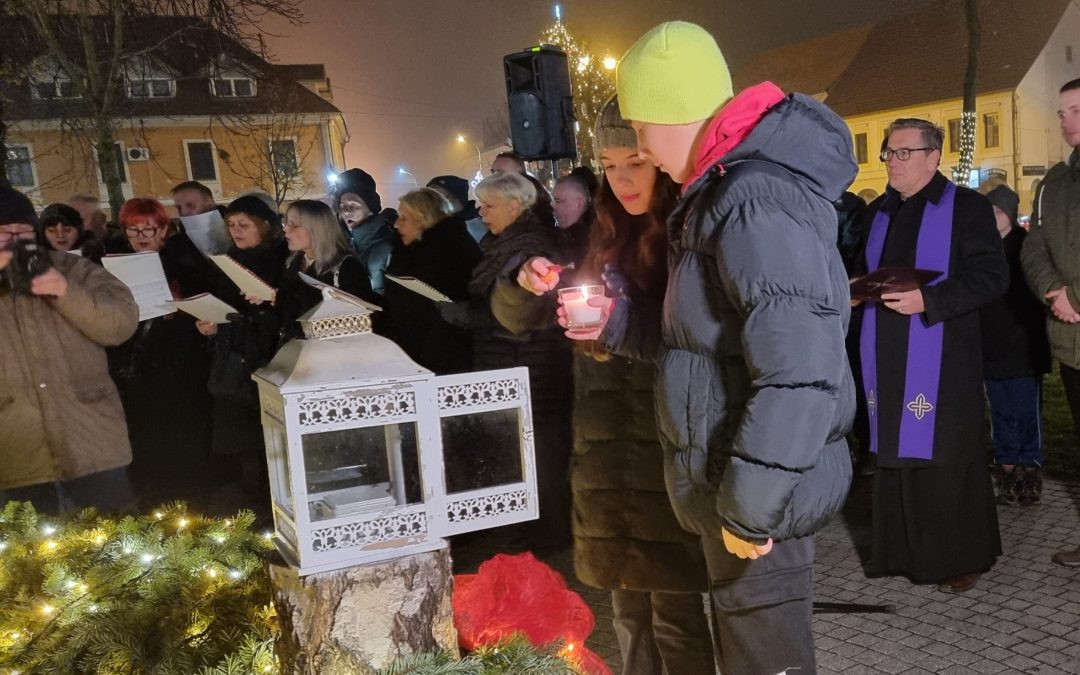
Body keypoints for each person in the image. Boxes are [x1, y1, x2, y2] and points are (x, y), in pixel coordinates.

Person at [527, 22, 856, 673]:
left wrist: (750, 508)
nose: (641, 143)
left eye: (642, 126)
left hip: (757, 494)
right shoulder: (722, 193)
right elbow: (705, 344)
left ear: (674, 111)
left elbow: (799, 369)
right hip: (736, 481)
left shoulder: (750, 197)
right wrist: (616, 327)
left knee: (766, 657)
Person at [520, 96, 715, 675]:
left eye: (635, 160)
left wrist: (621, 325)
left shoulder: (694, 233)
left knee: (677, 624)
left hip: (665, 456)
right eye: (609, 165)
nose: (623, 178)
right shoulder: (601, 235)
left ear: (663, 159)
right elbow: (521, 321)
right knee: (629, 619)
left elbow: (699, 344)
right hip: (607, 463)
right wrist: (529, 285)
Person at [858, 118, 1007, 594]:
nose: (892, 162)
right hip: (886, 353)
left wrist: (932, 302)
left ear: (932, 157)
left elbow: (991, 277)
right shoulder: (879, 211)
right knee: (895, 454)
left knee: (945, 455)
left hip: (942, 355)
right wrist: (855, 293)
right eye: (888, 152)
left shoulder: (966, 208)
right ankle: (901, 552)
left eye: (903, 153)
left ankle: (961, 557)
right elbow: (867, 271)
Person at [440, 170, 573, 552]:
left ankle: (546, 535)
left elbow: (518, 315)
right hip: (514, 363)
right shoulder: (503, 243)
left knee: (538, 451)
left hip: (529, 366)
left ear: (515, 205)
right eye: (480, 204)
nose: (481, 212)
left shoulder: (527, 246)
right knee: (526, 450)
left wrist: (461, 314)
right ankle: (536, 532)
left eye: (489, 205)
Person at [0, 187, 139, 514]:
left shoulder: (73, 270)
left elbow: (120, 325)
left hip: (91, 441)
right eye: (3, 232)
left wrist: (64, 292)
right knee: (31, 559)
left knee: (116, 548)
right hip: (15, 451)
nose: (14, 240)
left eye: (22, 231)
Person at [109, 197, 221, 511]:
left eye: (150, 229)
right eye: (134, 230)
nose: (142, 236)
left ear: (164, 230)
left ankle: (193, 506)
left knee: (185, 442)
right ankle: (153, 504)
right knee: (146, 443)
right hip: (137, 372)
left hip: (182, 371)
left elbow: (206, 309)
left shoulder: (185, 265)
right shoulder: (110, 269)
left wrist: (186, 309)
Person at [195, 195, 289, 517]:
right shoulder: (227, 262)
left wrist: (267, 304)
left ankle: (272, 515)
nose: (236, 230)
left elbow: (279, 316)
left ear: (264, 226)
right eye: (231, 225)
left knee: (272, 453)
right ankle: (252, 515)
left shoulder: (281, 260)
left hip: (267, 363)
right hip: (233, 367)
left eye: (243, 224)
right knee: (243, 452)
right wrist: (210, 324)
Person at [1020, 77, 1080, 568]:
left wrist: (1074, 294)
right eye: (1061, 113)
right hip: (1071, 341)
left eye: (1076, 110)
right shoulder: (1052, 184)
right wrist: (1052, 291)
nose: (1066, 122)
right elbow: (1034, 246)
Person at [981, 185, 1051, 506]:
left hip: (1023, 348)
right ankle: (1008, 467)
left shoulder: (1025, 248)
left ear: (1009, 214)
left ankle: (1030, 468)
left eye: (997, 212)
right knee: (1001, 412)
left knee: (1026, 412)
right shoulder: (981, 250)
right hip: (991, 347)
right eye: (989, 211)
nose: (992, 218)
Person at [379, 187, 481, 374]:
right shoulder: (408, 250)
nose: (396, 224)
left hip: (442, 360)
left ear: (423, 220)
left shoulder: (449, 252)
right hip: (415, 354)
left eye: (404, 218)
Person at [275, 199, 373, 345]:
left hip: (332, 353)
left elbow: (355, 320)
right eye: (285, 222)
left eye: (294, 224)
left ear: (317, 229)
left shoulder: (347, 267)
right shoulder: (292, 263)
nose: (286, 229)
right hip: (297, 349)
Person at [334, 168, 398, 296]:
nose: (347, 211)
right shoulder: (339, 244)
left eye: (354, 205)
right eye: (342, 206)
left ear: (370, 207)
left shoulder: (391, 245)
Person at [38, 202, 106, 263]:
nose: (60, 235)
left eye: (67, 230)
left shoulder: (96, 256)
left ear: (79, 231)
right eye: (52, 231)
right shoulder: (34, 261)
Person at [427, 174, 487, 244]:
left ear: (459, 198)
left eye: (441, 199)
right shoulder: (431, 225)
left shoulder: (483, 223)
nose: (435, 204)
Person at [551, 174, 594, 266]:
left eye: (558, 201)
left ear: (578, 204)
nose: (553, 207)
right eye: (553, 201)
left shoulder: (598, 238)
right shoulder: (560, 236)